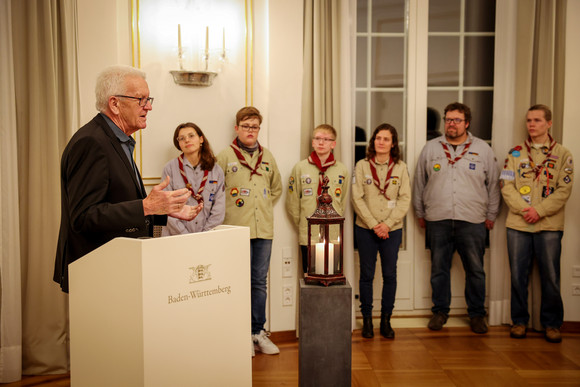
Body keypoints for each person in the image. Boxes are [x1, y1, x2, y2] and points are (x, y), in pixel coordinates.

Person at [54, 65, 201, 293]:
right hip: (98, 272)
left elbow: (118, 203)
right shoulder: (92, 143)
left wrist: (162, 209)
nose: (149, 107)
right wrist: (146, 206)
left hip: (118, 268)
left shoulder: (117, 140)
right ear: (114, 104)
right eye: (141, 99)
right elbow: (83, 217)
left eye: (148, 99)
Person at [413, 102, 500, 334]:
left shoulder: (483, 149)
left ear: (467, 123)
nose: (451, 124)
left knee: (475, 270)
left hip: (472, 220)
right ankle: (440, 312)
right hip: (438, 219)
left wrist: (491, 214)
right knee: (439, 269)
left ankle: (477, 315)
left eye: (457, 120)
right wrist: (421, 212)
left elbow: (493, 185)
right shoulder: (430, 149)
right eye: (448, 119)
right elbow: (419, 183)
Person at [500, 104, 574, 343]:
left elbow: (564, 190)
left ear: (549, 124)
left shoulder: (563, 154)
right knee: (518, 275)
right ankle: (519, 321)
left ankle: (552, 324)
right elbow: (506, 186)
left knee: (551, 276)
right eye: (529, 120)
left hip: (550, 225)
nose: (532, 124)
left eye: (537, 120)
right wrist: (525, 210)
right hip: (518, 225)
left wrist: (539, 211)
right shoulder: (514, 153)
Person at [216, 106, 282, 356]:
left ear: (258, 129)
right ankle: (239, 334)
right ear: (237, 128)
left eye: (254, 127)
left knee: (258, 282)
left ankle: (257, 332)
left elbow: (276, 189)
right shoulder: (224, 156)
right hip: (235, 229)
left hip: (263, 229)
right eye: (246, 126)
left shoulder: (268, 157)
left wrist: (260, 206)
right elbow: (215, 192)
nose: (250, 131)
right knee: (236, 281)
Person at [352, 124, 411, 339]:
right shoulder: (362, 166)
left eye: (386, 139)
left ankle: (386, 320)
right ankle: (367, 319)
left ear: (393, 143)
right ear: (373, 141)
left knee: (389, 275)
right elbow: (356, 197)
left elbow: (405, 199)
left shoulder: (401, 168)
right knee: (366, 275)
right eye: (378, 138)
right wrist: (373, 224)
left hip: (391, 230)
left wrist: (386, 224)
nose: (381, 142)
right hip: (365, 229)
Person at [286, 124, 350, 275]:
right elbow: (292, 201)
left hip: (333, 233)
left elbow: (343, 201)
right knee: (310, 274)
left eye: (326, 139)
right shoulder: (300, 168)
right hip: (309, 232)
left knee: (332, 273)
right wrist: (305, 222)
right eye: (318, 139)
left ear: (333, 144)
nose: (321, 143)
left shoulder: (342, 170)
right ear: (312, 142)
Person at [161, 122, 225, 235]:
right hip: (176, 236)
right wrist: (185, 235)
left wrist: (204, 235)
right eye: (182, 138)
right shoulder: (169, 169)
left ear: (201, 139)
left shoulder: (216, 170)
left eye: (191, 136)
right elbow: (167, 207)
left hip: (207, 236)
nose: (187, 140)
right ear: (178, 144)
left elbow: (219, 209)